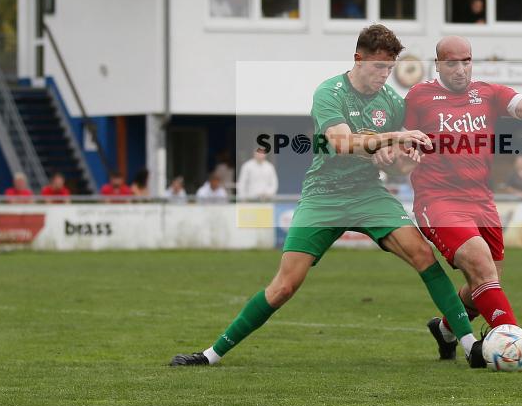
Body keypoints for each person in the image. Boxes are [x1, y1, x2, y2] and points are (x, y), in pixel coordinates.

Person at [171, 24, 477, 367]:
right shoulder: (330, 92)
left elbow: (395, 166)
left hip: (368, 194)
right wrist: (395, 137)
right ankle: (211, 355)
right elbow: (342, 143)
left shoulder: (391, 102)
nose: (384, 75)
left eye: (390, 68)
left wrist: (398, 159)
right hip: (323, 196)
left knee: (423, 255)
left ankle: (470, 346)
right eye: (378, 66)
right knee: (284, 287)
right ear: (358, 59)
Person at [402, 34, 522, 370]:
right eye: (452, 63)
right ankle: (517, 343)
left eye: (466, 61)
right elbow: (401, 144)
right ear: (438, 65)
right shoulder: (419, 96)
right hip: (438, 200)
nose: (461, 69)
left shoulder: (488, 93)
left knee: (485, 281)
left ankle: (445, 330)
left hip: (481, 201)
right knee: (480, 264)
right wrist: (399, 153)